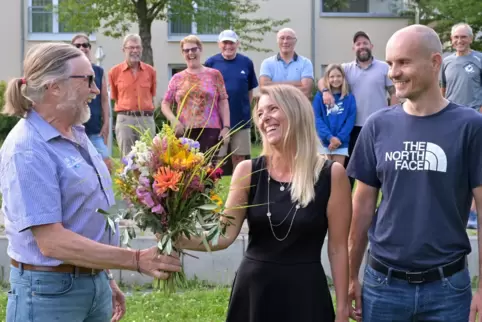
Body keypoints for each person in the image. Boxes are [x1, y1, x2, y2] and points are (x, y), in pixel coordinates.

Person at [0, 42, 181, 322]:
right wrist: (134, 260)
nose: (96, 90)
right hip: (50, 295)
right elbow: (51, 242)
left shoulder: (76, 133)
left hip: (90, 281)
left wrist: (104, 276)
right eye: (88, 80)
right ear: (54, 87)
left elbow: (86, 216)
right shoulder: (28, 148)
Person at [176, 84, 352, 322]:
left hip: (306, 295)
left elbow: (338, 248)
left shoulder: (332, 175)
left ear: (295, 112)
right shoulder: (247, 171)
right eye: (259, 113)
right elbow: (224, 234)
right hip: (254, 294)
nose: (264, 118)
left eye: (272, 109)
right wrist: (174, 237)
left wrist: (342, 309)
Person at [346, 25, 482, 322]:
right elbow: (362, 207)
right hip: (383, 285)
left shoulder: (470, 126)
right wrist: (351, 275)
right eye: (391, 63)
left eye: (404, 62)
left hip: (448, 287)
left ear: (435, 63)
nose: (393, 72)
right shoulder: (377, 125)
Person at [318, 31, 398, 187]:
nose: (362, 46)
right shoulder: (346, 69)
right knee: (349, 171)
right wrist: (326, 92)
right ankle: (345, 207)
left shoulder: (383, 67)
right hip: (351, 128)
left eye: (365, 43)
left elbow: (393, 92)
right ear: (353, 48)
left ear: (371, 46)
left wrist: (393, 116)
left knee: (379, 168)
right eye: (358, 44)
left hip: (378, 127)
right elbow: (323, 80)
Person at [440, 22, 482, 230]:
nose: (459, 41)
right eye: (455, 37)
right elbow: (442, 92)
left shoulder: (479, 60)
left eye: (463, 37)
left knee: (475, 166)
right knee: (453, 164)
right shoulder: (446, 62)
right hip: (451, 121)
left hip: (475, 120)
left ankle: (473, 213)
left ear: (471, 39)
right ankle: (454, 209)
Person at [161, 35, 230, 153]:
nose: (190, 53)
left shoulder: (214, 75)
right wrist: (174, 120)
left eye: (194, 49)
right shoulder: (177, 78)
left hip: (210, 130)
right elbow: (165, 103)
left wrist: (226, 127)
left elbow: (223, 101)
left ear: (200, 49)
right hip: (184, 131)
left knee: (209, 169)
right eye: (186, 50)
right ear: (183, 53)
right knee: (186, 169)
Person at [205, 30, 258, 170]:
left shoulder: (246, 62)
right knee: (216, 159)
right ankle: (211, 190)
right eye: (225, 42)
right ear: (219, 44)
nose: (228, 46)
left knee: (240, 158)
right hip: (217, 121)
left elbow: (250, 91)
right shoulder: (210, 63)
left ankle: (239, 190)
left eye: (231, 43)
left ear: (238, 44)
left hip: (241, 120)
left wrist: (245, 109)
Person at [109, 33, 157, 157]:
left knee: (148, 159)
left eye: (138, 47)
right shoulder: (114, 72)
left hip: (146, 119)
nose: (135, 50)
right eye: (131, 47)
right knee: (127, 159)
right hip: (125, 119)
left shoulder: (151, 71)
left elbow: (151, 94)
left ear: (141, 49)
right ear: (123, 50)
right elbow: (115, 96)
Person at [71, 33, 112, 171]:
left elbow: (105, 100)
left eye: (85, 45)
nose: (82, 47)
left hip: (95, 131)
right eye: (77, 45)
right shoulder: (68, 71)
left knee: (106, 165)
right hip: (75, 129)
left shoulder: (98, 71)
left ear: (90, 47)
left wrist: (106, 123)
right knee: (81, 168)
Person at [313, 64, 356, 166]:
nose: (335, 79)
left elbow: (350, 120)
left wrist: (338, 139)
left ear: (343, 77)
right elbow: (316, 118)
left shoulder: (349, 98)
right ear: (327, 78)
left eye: (338, 76)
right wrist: (329, 137)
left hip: (341, 143)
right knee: (322, 175)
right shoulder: (320, 97)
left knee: (337, 173)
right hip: (323, 142)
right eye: (332, 76)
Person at [259, 28, 314, 98]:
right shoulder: (267, 63)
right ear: (277, 41)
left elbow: (306, 90)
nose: (285, 41)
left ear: (295, 41)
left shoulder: (306, 63)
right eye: (282, 38)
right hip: (274, 107)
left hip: (297, 108)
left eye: (289, 38)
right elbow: (264, 88)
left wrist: (273, 85)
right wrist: (296, 84)